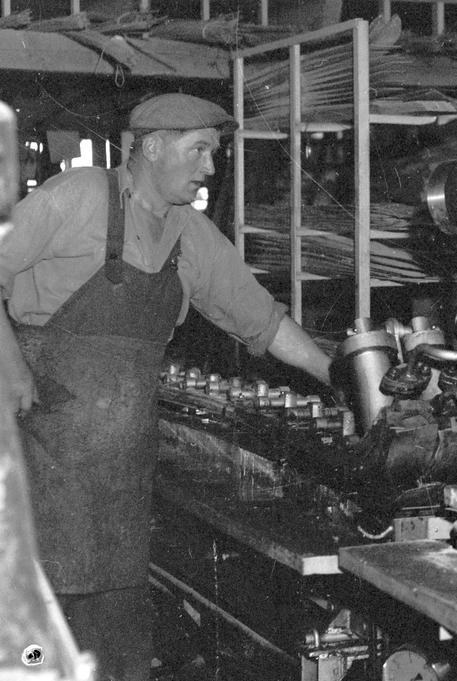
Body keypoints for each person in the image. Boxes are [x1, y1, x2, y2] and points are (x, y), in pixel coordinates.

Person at [0, 93, 332, 681]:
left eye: (214, 152)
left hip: (122, 473)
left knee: (116, 636)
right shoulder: (77, 197)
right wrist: (13, 368)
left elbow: (262, 321)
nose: (211, 166)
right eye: (199, 149)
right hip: (40, 454)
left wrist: (337, 374)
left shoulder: (191, 237)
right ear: (151, 147)